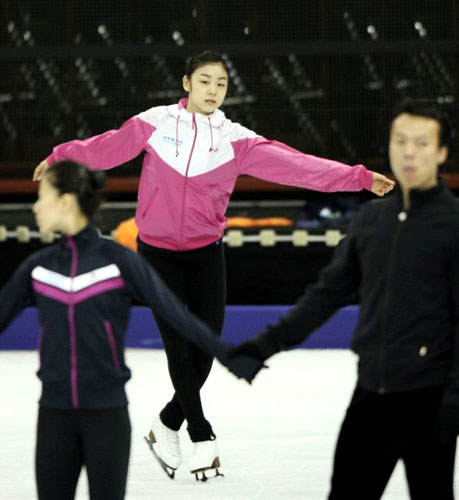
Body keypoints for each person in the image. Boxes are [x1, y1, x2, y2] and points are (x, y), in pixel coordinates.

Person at [32, 50, 394, 478]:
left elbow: (297, 166)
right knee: (178, 348)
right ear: (187, 83)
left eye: (220, 84)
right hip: (157, 253)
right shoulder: (157, 122)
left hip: (206, 253)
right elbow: (106, 147)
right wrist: (60, 157)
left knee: (205, 345)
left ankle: (167, 422)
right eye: (205, 81)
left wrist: (360, 177)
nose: (213, 91)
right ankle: (201, 434)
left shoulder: (234, 139)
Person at [226, 99, 459, 499]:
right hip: (371, 394)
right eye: (400, 141)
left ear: (441, 153)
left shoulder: (452, 225)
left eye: (421, 144)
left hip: (431, 402)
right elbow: (327, 294)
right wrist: (265, 345)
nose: (408, 152)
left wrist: (452, 401)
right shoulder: (372, 220)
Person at [0, 160, 232, 499]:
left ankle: (188, 426)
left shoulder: (118, 261)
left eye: (42, 197)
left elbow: (177, 316)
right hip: (53, 416)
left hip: (107, 417)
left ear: (65, 201)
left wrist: (235, 355)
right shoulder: (38, 267)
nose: (35, 207)